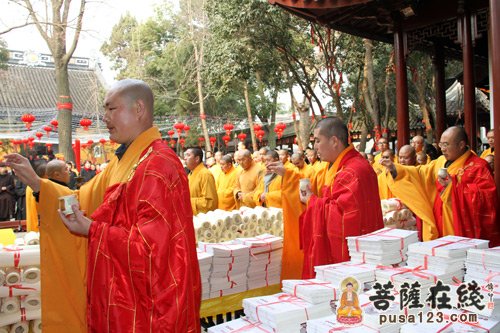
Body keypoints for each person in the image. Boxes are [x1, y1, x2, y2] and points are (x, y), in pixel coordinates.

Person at [5, 79, 201, 332]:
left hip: (148, 308)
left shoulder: (158, 166)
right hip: (116, 295)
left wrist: (94, 230)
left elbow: (154, 252)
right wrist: (37, 183)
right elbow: (83, 199)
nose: (105, 118)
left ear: (139, 109)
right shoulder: (123, 163)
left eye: (111, 109)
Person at [380, 126, 499, 244]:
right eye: (441, 144)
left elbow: (488, 200)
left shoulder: (478, 167)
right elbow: (420, 173)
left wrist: (455, 187)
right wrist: (395, 168)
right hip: (440, 222)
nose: (442, 149)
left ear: (461, 144)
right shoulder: (441, 161)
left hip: (460, 227)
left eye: (446, 144)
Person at [299, 117, 383, 278]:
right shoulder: (352, 165)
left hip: (353, 258)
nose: (315, 146)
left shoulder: (349, 172)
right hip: (366, 250)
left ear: (334, 141)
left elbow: (341, 215)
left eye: (318, 140)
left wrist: (312, 201)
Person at [185, 147, 218, 215]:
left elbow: (209, 203)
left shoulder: (205, 174)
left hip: (203, 220)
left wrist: (187, 201)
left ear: (197, 159)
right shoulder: (190, 175)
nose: (185, 158)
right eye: (185, 155)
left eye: (188, 155)